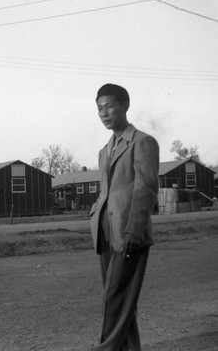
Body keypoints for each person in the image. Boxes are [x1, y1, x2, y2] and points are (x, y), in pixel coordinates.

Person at [89, 84, 159, 351]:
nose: (104, 113)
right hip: (106, 232)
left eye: (109, 106)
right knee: (120, 299)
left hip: (130, 232)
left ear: (125, 106)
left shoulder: (143, 142)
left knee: (115, 297)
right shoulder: (104, 151)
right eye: (99, 108)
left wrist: (134, 231)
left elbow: (146, 189)